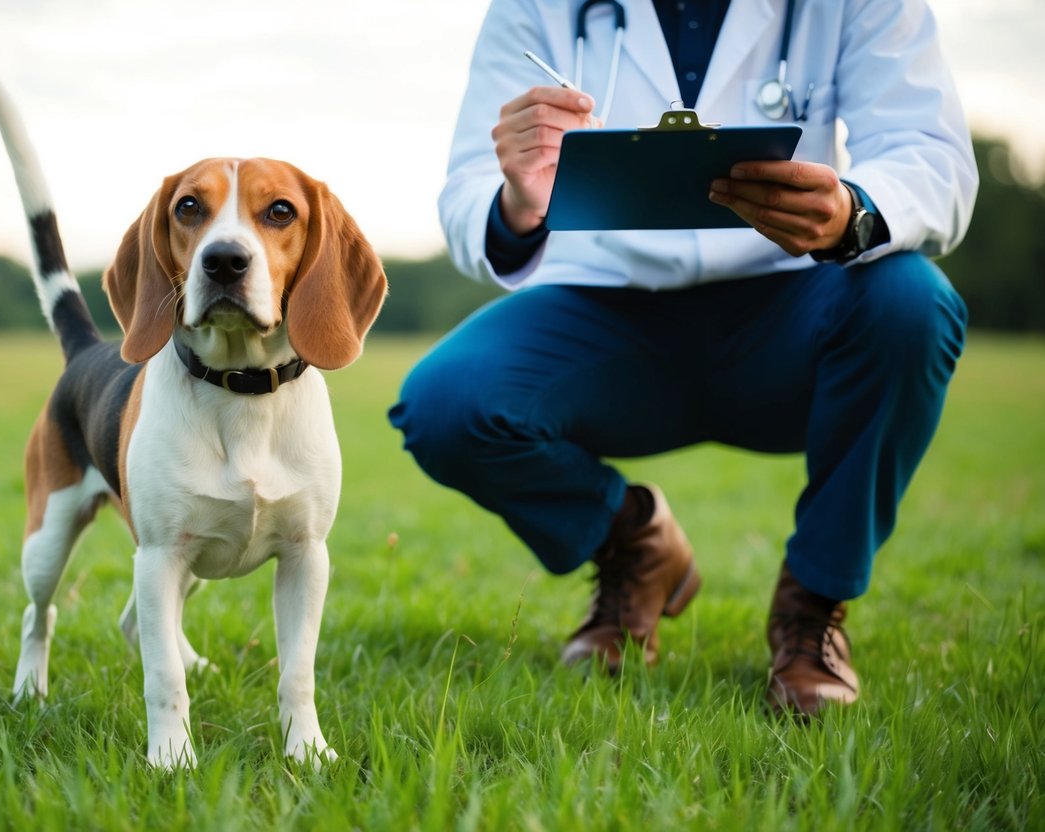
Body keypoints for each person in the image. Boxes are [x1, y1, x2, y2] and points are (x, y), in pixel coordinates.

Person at [388, 0, 975, 717]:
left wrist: (852, 209)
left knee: (912, 303)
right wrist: (519, 196)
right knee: (445, 402)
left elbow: (931, 153)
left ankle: (811, 609)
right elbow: (466, 191)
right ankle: (634, 542)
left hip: (793, 308)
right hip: (606, 314)